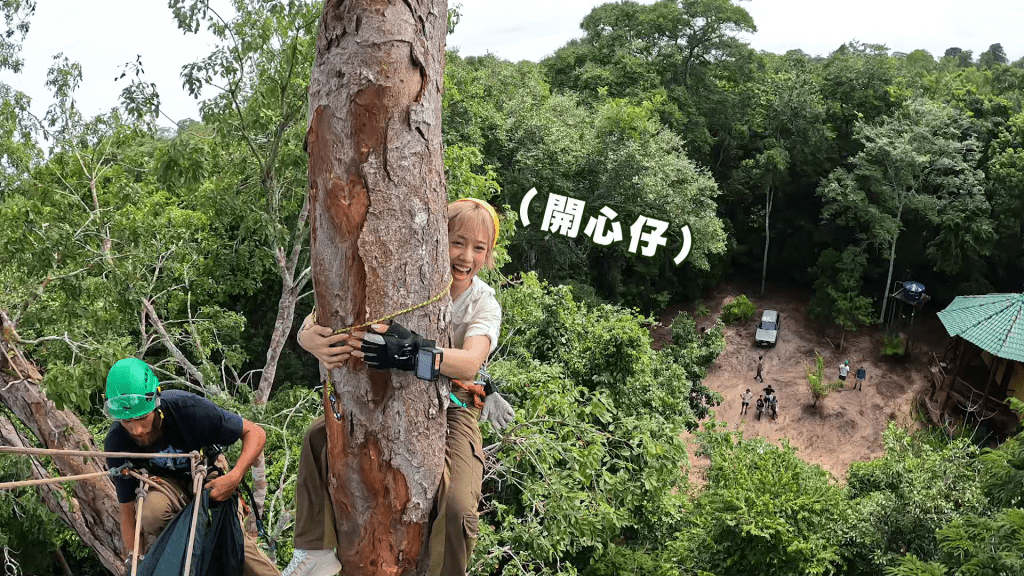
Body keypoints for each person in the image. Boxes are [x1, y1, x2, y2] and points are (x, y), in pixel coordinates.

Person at [284, 198, 515, 576]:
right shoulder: (414, 278)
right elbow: (334, 311)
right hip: (387, 393)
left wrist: (412, 355)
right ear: (438, 240)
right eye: (457, 242)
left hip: (453, 404)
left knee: (456, 505)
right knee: (316, 437)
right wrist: (308, 336)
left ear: (488, 255)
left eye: (479, 248)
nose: (466, 256)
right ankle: (315, 549)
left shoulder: (481, 302)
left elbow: (471, 361)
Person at [103, 358, 279, 576]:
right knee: (151, 514)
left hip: (207, 476)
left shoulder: (188, 409)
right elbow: (127, 510)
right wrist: (134, 559)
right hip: (166, 487)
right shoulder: (117, 442)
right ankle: (184, 550)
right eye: (127, 421)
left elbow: (256, 433)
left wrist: (233, 477)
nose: (137, 430)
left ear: (155, 402)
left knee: (239, 551)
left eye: (141, 417)